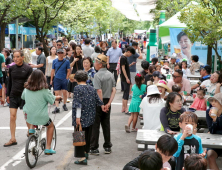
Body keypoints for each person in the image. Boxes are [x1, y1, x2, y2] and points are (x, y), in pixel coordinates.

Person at [22, 70, 62, 154]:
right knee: (50, 126)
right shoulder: (45, 90)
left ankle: (31, 129)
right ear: (43, 78)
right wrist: (58, 97)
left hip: (28, 116)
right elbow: (52, 100)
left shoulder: (26, 89)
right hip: (41, 117)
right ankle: (48, 148)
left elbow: (23, 97)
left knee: (28, 113)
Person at [72, 70, 104, 165]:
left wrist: (77, 117)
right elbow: (98, 101)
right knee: (88, 135)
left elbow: (77, 104)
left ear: (77, 79)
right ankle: (86, 153)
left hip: (80, 117)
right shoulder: (91, 88)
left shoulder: (77, 88)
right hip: (90, 116)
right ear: (86, 79)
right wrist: (103, 106)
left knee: (79, 135)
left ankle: (81, 157)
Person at [4, 50, 33, 147]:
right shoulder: (11, 68)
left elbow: (30, 84)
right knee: (12, 117)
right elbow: (10, 82)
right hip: (13, 95)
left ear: (22, 57)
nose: (15, 59)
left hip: (24, 95)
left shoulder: (28, 68)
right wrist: (8, 95)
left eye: (17, 57)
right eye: (14, 57)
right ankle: (13, 138)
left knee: (26, 116)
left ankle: (30, 133)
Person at [90, 54, 116, 155]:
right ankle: (107, 146)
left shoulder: (97, 75)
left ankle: (94, 147)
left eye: (96, 62)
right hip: (107, 100)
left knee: (95, 125)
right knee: (106, 124)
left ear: (100, 64)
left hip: (98, 102)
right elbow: (113, 89)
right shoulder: (110, 74)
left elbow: (99, 91)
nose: (94, 64)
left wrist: (101, 105)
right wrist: (108, 103)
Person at [50, 48, 70, 113]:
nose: (60, 54)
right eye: (59, 53)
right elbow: (52, 71)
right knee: (56, 93)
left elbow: (68, 70)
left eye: (61, 53)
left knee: (64, 92)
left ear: (64, 53)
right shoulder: (54, 61)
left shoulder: (66, 61)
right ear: (57, 53)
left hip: (64, 78)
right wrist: (51, 79)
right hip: (57, 79)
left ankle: (64, 104)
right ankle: (57, 107)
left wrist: (67, 78)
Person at [206, 93, 222, 170]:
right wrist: (214, 120)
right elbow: (211, 131)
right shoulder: (209, 111)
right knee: (210, 156)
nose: (213, 103)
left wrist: (219, 118)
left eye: (216, 101)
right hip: (214, 141)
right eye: (212, 101)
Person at [120, 47, 136, 114]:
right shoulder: (123, 58)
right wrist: (127, 78)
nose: (130, 55)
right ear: (128, 51)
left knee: (125, 93)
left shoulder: (124, 57)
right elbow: (123, 68)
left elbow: (125, 67)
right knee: (126, 93)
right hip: (125, 77)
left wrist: (130, 65)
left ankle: (123, 108)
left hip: (125, 77)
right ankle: (126, 109)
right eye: (131, 54)